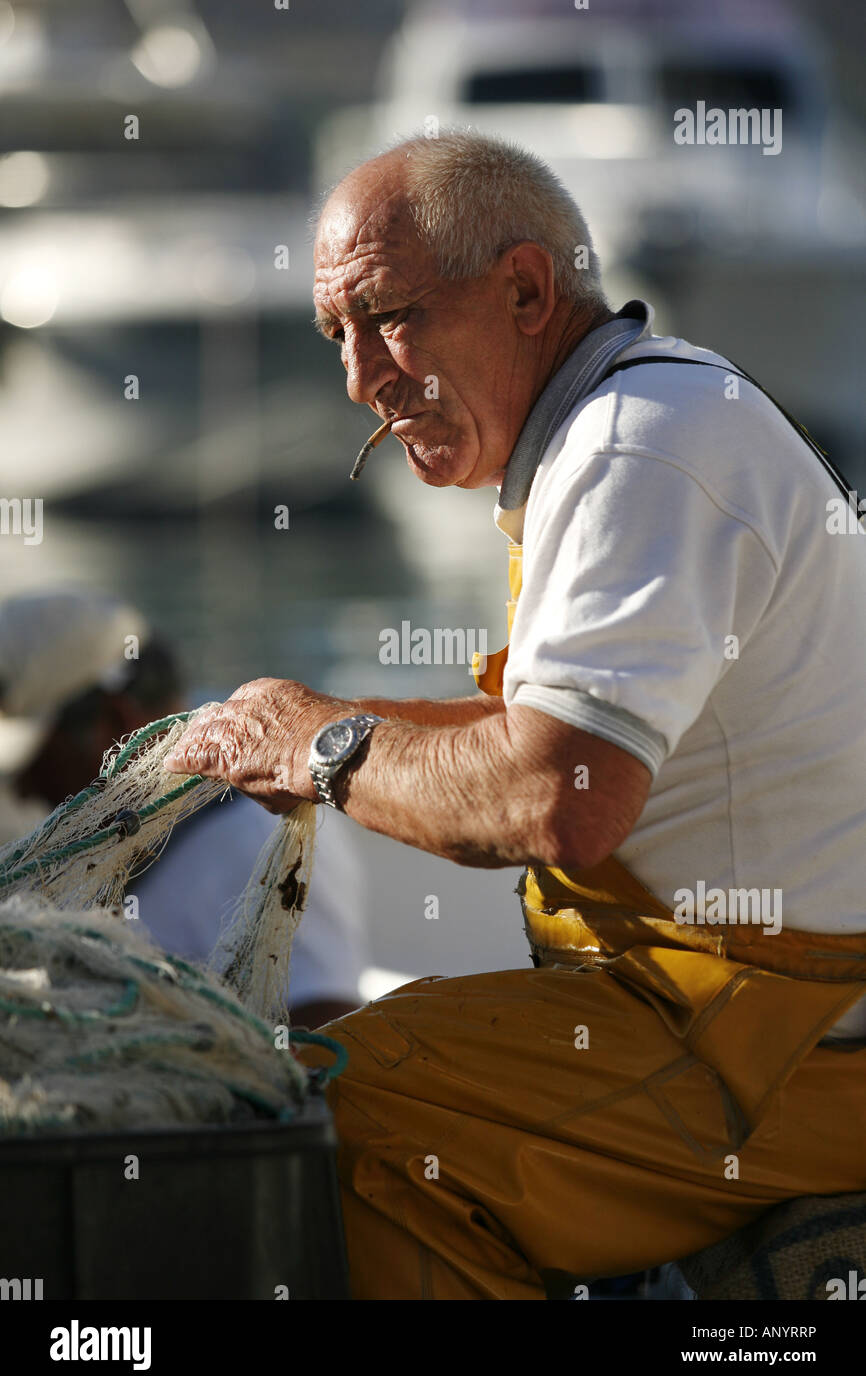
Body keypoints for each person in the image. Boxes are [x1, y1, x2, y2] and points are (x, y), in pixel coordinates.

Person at [163, 130, 866, 1300]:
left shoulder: (639, 449)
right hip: (713, 1014)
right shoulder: (622, 428)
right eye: (336, 336)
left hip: (775, 1052)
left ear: (527, 291)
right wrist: (281, 725)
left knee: (342, 1110)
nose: (358, 379)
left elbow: (560, 794)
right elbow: (537, 733)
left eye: (384, 315)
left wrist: (315, 741)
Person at [0, 589, 369, 1028]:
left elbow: (326, 1029)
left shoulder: (253, 835)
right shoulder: (147, 831)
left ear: (116, 721)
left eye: (40, 759)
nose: (22, 786)